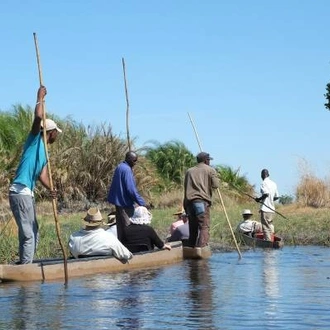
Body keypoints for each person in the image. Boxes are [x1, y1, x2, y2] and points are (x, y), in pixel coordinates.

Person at [8, 86, 61, 264]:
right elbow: (38, 117)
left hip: (27, 194)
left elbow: (42, 175)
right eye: (56, 134)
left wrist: (51, 189)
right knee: (28, 234)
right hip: (20, 192)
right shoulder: (34, 139)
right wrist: (40, 97)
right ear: (51, 133)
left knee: (33, 232)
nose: (56, 138)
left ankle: (26, 264)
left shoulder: (45, 153)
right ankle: (26, 270)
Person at [107, 151, 146, 242]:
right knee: (129, 228)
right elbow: (131, 190)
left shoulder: (119, 167)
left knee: (121, 229)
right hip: (125, 204)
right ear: (129, 159)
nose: (135, 163)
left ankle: (123, 244)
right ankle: (131, 246)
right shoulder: (127, 170)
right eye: (134, 160)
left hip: (119, 204)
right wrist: (142, 202)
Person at [184, 152, 220, 248]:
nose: (209, 162)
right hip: (201, 202)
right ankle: (201, 249)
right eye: (208, 160)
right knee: (204, 227)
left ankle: (191, 249)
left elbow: (185, 189)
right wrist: (214, 175)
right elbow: (216, 185)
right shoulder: (210, 170)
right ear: (205, 160)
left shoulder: (189, 171)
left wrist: (185, 207)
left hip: (190, 203)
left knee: (193, 228)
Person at [68, 207, 133, 261]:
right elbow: (126, 255)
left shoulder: (73, 237)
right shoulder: (108, 237)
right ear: (100, 222)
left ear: (86, 222)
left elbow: (74, 254)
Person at [255, 169, 279, 241]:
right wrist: (270, 200)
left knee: (265, 227)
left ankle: (268, 244)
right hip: (272, 210)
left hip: (265, 209)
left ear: (262, 175)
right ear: (268, 175)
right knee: (269, 226)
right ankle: (271, 240)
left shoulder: (264, 183)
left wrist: (259, 199)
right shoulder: (274, 183)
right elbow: (277, 197)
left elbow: (266, 194)